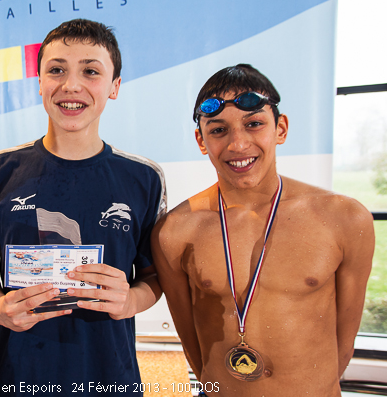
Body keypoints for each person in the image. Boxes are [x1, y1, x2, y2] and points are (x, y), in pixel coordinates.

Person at [151, 64, 374, 396]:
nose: (238, 144)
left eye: (254, 124)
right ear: (201, 140)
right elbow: (192, 345)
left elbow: (344, 341)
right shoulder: (175, 232)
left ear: (280, 129)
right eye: (218, 130)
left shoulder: (345, 218)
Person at [0, 19, 167, 395]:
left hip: (109, 377)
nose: (71, 86)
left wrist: (130, 300)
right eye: (57, 70)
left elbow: (155, 276)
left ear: (114, 87)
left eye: (90, 71)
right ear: (40, 82)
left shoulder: (143, 178)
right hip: (18, 377)